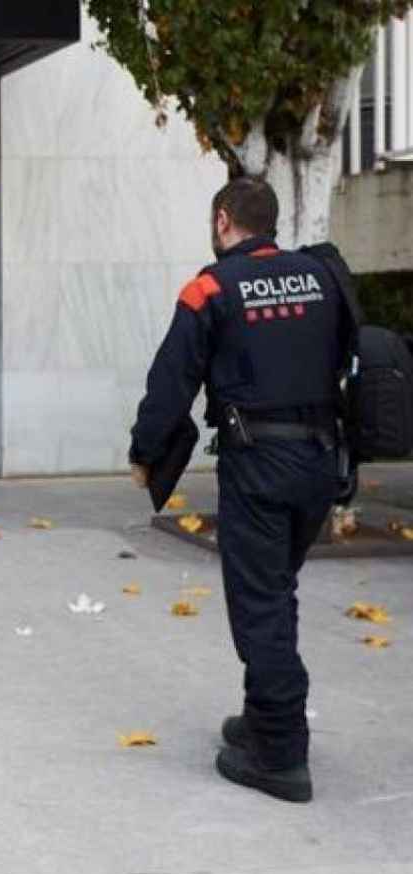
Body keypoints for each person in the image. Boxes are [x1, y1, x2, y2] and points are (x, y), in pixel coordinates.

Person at [129, 176, 349, 804]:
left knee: (259, 605)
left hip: (258, 463)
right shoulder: (323, 277)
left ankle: (280, 754)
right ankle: (262, 716)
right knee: (276, 592)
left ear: (224, 220)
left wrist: (146, 454)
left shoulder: (211, 288)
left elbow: (171, 382)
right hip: (320, 463)